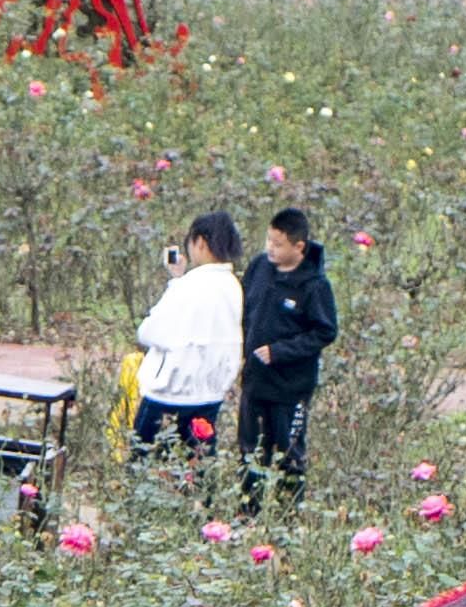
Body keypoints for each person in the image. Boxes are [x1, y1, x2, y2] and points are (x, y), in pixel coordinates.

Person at [237, 206, 337, 496]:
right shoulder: (259, 268)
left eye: (278, 244)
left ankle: (288, 517)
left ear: (299, 246)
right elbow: (243, 307)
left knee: (288, 454)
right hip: (255, 381)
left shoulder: (314, 286)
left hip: (290, 388)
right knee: (250, 451)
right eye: (269, 240)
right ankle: (248, 511)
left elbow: (324, 331)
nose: (271, 248)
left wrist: (281, 351)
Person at [131, 212, 242, 464]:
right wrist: (178, 279)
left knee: (143, 465)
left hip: (170, 394)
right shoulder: (232, 286)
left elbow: (149, 331)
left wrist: (178, 284)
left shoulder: (191, 286)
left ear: (200, 242)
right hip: (209, 395)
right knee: (198, 468)